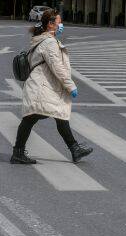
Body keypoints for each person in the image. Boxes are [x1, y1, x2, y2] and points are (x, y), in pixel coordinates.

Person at [10, 9, 93, 164]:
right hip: (41, 88)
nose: (61, 25)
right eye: (59, 22)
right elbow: (57, 67)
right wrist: (70, 86)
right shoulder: (49, 43)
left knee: (58, 116)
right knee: (32, 118)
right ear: (50, 24)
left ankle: (74, 149)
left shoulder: (45, 40)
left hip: (44, 87)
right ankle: (18, 152)